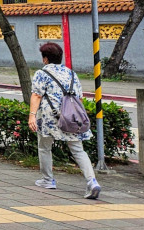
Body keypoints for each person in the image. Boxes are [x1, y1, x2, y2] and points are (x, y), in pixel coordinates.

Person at [30, 42, 100, 198]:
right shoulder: (71, 74)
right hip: (71, 117)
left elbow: (36, 95)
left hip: (50, 117)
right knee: (78, 150)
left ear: (45, 59)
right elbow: (79, 98)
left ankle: (48, 180)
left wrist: (32, 115)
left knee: (44, 147)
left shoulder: (42, 73)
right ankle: (92, 181)